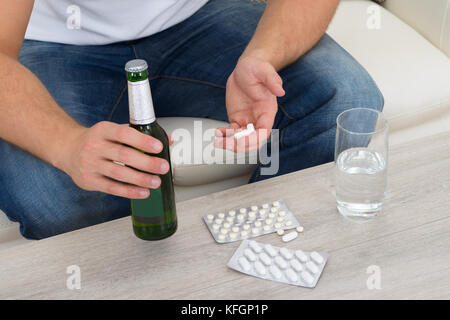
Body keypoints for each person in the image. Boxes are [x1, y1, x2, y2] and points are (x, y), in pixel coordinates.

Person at [0, 0, 384, 239]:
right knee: (54, 200)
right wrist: (66, 145)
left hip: (197, 14)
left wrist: (262, 56)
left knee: (345, 98)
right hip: (50, 42)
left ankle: (252, 248)